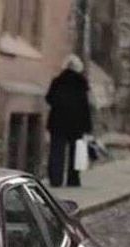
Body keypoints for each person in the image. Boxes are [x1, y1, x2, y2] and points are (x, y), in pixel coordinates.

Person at [45, 54, 93, 187]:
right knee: (75, 151)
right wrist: (88, 126)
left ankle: (55, 179)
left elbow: (49, 98)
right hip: (76, 123)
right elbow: (85, 106)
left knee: (56, 151)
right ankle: (73, 180)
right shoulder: (81, 83)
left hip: (58, 122)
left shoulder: (57, 81)